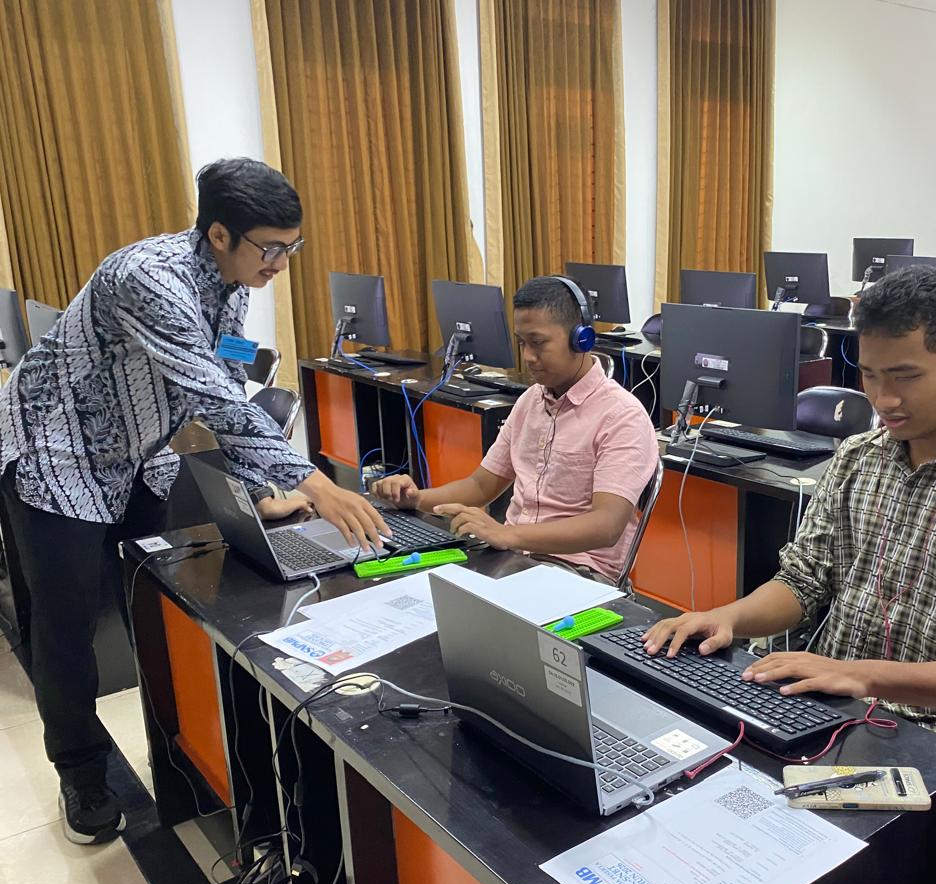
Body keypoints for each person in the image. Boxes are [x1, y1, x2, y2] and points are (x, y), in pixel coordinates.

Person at [0, 158, 388, 845]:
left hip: (138, 457)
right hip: (55, 454)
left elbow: (228, 379)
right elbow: (209, 395)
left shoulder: (232, 283)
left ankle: (180, 749)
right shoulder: (147, 279)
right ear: (217, 233)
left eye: (292, 247)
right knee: (66, 627)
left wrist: (265, 485)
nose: (282, 264)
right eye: (271, 248)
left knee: (150, 606)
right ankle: (82, 775)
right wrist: (313, 480)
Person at [644, 266, 936, 761]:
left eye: (905, 376)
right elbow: (803, 582)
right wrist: (725, 617)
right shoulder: (858, 457)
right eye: (870, 375)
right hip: (827, 708)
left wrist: (861, 674)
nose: (884, 400)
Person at [371, 275, 658, 584]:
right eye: (522, 343)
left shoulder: (621, 416)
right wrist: (415, 499)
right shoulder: (530, 401)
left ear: (582, 339)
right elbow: (481, 487)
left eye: (538, 343)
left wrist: (507, 534)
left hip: (580, 573)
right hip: (513, 557)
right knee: (414, 586)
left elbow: (607, 525)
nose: (528, 357)